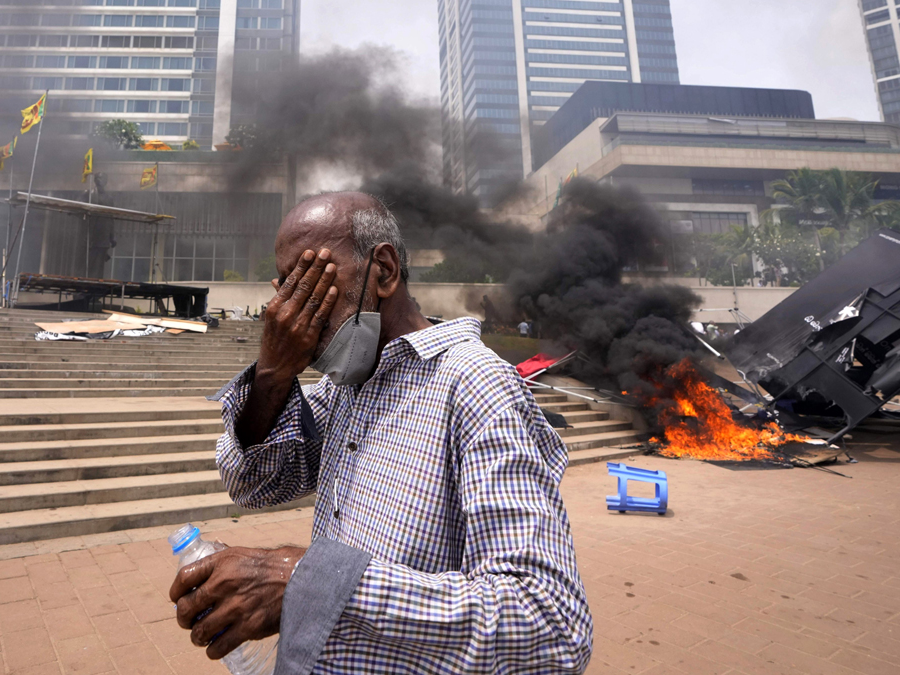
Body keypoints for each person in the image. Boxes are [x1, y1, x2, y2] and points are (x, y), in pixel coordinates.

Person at [170, 192, 592, 674]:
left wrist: (306, 582)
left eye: (307, 282)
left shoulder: (473, 384)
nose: (284, 312)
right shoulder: (345, 387)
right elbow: (253, 484)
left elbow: (551, 625)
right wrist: (272, 373)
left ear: (384, 272)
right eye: (282, 289)